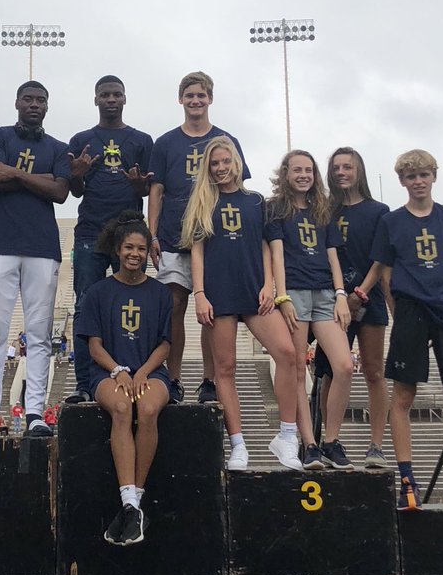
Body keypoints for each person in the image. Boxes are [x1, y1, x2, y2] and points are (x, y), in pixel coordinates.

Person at [356, 149, 443, 511]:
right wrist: (397, 311)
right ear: (402, 181)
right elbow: (384, 271)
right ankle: (407, 481)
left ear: (434, 176)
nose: (418, 181)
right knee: (402, 398)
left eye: (424, 175)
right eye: (411, 176)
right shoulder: (392, 221)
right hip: (411, 310)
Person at [181, 137, 303, 471]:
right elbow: (198, 251)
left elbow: (264, 246)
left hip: (254, 293)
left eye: (225, 161)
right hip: (219, 294)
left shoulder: (256, 202)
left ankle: (287, 436)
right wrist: (200, 294)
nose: (220, 168)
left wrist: (269, 285)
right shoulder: (202, 203)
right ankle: (237, 444)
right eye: (214, 164)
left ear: (236, 161)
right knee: (225, 368)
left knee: (288, 354)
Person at [0, 81, 71, 437]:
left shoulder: (58, 146)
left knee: (39, 335)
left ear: (47, 106)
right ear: (17, 103)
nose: (34, 105)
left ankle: (35, 413)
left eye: (41, 100)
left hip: (42, 247)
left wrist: (16, 173)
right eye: (28, 99)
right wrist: (35, 179)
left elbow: (59, 192)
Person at [148, 72, 250, 405]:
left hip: (215, 241)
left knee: (212, 311)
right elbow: (157, 189)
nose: (195, 101)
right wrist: (152, 233)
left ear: (210, 99)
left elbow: (238, 187)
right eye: (189, 95)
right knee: (174, 307)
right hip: (174, 236)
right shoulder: (165, 143)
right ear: (181, 99)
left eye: (201, 95)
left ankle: (209, 380)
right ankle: (173, 378)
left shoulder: (226, 140)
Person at [77, 211, 172, 546]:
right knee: (121, 408)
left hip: (151, 371)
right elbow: (94, 344)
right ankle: (128, 501)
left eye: (141, 248)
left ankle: (136, 501)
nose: (135, 253)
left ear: (149, 252)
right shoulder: (99, 291)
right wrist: (118, 370)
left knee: (146, 409)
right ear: (117, 250)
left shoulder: (160, 293)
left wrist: (143, 371)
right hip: (107, 371)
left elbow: (164, 344)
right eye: (129, 247)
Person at [64, 76, 154, 404]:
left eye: (116, 94)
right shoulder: (82, 139)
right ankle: (85, 383)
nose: (111, 99)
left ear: (125, 99)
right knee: (86, 305)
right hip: (90, 231)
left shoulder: (142, 140)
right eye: (105, 94)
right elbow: (73, 190)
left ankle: (131, 374)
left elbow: (147, 189)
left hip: (128, 232)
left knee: (130, 306)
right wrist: (77, 173)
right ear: (96, 99)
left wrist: (137, 186)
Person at [267, 150, 353, 471]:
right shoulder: (275, 208)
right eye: (297, 170)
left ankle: (331, 440)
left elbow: (333, 256)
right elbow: (277, 255)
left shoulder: (323, 209)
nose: (303, 175)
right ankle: (309, 444)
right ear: (285, 173)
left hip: (326, 293)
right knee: (297, 371)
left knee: (343, 365)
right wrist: (282, 296)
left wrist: (341, 293)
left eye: (309, 170)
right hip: (297, 293)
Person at [319, 147, 391, 469]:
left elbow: (381, 260)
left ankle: (376, 444)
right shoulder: (324, 210)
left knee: (374, 371)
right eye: (336, 168)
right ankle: (328, 438)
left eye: (347, 167)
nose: (341, 172)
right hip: (332, 302)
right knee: (330, 372)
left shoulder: (379, 211)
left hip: (368, 299)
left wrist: (360, 293)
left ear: (358, 170)